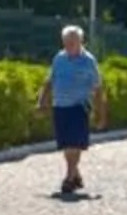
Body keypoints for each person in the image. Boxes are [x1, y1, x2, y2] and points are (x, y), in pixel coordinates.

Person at [44, 24, 105, 195]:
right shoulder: (59, 58)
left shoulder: (89, 61)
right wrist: (42, 101)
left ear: (80, 41)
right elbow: (50, 80)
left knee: (75, 143)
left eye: (73, 42)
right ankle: (76, 175)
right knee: (66, 144)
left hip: (79, 107)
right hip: (60, 106)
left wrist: (101, 114)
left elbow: (98, 88)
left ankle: (69, 179)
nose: (69, 45)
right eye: (66, 42)